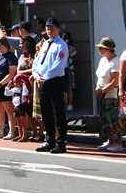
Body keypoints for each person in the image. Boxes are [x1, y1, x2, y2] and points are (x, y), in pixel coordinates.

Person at [33, 18, 69, 153]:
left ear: (58, 30)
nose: (49, 31)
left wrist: (45, 77)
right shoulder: (45, 44)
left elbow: (58, 65)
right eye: (47, 28)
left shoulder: (61, 45)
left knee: (58, 113)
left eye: (52, 28)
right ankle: (50, 140)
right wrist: (37, 75)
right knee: (46, 113)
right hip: (42, 82)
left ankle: (61, 143)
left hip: (54, 81)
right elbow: (37, 62)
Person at [94, 37, 124, 152]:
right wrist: (98, 87)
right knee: (105, 118)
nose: (100, 50)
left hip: (112, 95)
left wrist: (103, 90)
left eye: (102, 48)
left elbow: (115, 80)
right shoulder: (103, 60)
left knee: (114, 118)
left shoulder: (115, 62)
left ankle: (118, 142)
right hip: (102, 94)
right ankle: (109, 141)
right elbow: (100, 77)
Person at [12, 34, 38, 142]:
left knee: (34, 111)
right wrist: (27, 71)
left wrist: (28, 70)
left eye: (22, 43)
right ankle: (25, 133)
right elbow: (18, 71)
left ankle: (38, 133)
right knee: (23, 111)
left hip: (32, 86)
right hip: (22, 88)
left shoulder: (34, 56)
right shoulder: (22, 57)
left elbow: (35, 70)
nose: (20, 46)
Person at [61, 30, 77, 111]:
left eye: (66, 39)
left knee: (70, 87)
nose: (65, 40)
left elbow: (67, 54)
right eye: (63, 39)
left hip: (69, 69)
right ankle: (64, 104)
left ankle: (70, 104)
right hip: (61, 69)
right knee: (63, 88)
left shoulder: (71, 48)